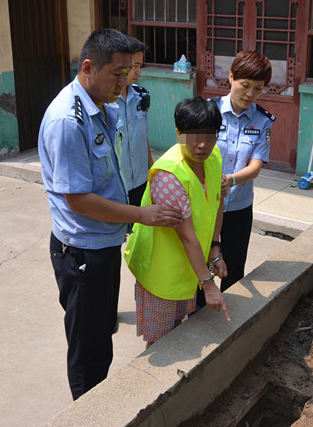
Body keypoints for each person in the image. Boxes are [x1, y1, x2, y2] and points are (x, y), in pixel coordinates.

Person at [37, 28, 183, 400]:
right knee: (89, 349)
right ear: (89, 67)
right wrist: (140, 214)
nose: (125, 81)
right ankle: (88, 412)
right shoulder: (69, 122)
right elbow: (80, 200)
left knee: (102, 333)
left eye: (131, 71)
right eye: (118, 72)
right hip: (82, 251)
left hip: (101, 244)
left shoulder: (102, 105)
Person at [124, 97, 231, 348]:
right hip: (161, 271)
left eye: (209, 135)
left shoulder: (213, 157)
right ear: (178, 133)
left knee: (177, 328)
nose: (202, 144)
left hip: (189, 266)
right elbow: (186, 235)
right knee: (160, 340)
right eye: (192, 136)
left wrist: (215, 248)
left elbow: (216, 203)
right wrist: (209, 284)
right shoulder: (168, 175)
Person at [198, 50, 273, 307]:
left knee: (234, 268)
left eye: (258, 88)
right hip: (205, 204)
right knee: (200, 263)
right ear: (230, 78)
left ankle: (231, 322)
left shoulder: (262, 121)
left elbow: (255, 166)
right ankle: (195, 317)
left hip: (239, 206)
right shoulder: (208, 111)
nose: (250, 94)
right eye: (245, 85)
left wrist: (230, 179)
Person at [117, 36, 154, 207]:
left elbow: (142, 137)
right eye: (135, 66)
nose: (139, 72)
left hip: (141, 181)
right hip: (118, 185)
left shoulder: (142, 96)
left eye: (140, 66)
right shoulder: (104, 102)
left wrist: (151, 171)